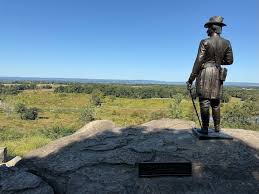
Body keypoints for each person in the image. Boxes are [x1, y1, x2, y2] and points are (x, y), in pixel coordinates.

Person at [186, 16, 234, 135]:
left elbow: (198, 61)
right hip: (217, 73)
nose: (206, 31)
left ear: (213, 28)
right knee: (216, 102)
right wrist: (217, 62)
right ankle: (217, 128)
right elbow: (229, 61)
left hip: (205, 73)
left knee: (205, 102)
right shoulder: (227, 43)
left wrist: (191, 78)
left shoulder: (205, 42)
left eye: (208, 28)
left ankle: (205, 128)